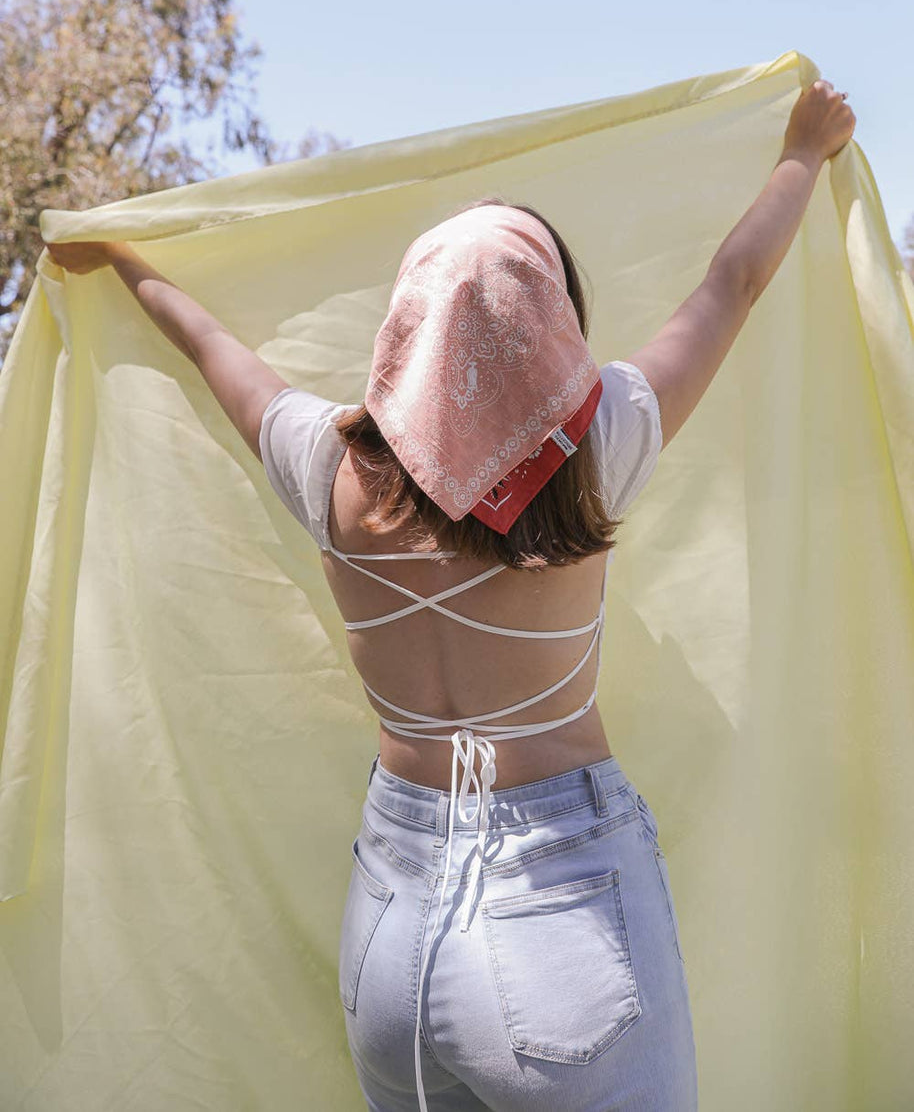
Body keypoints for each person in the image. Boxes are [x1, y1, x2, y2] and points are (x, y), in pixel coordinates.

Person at [45, 77, 855, 1111]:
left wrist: (118, 257)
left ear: (406, 331)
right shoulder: (598, 446)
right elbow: (729, 285)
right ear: (548, 325)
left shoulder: (331, 470)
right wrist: (800, 153)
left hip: (391, 916)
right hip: (565, 910)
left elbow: (214, 352)